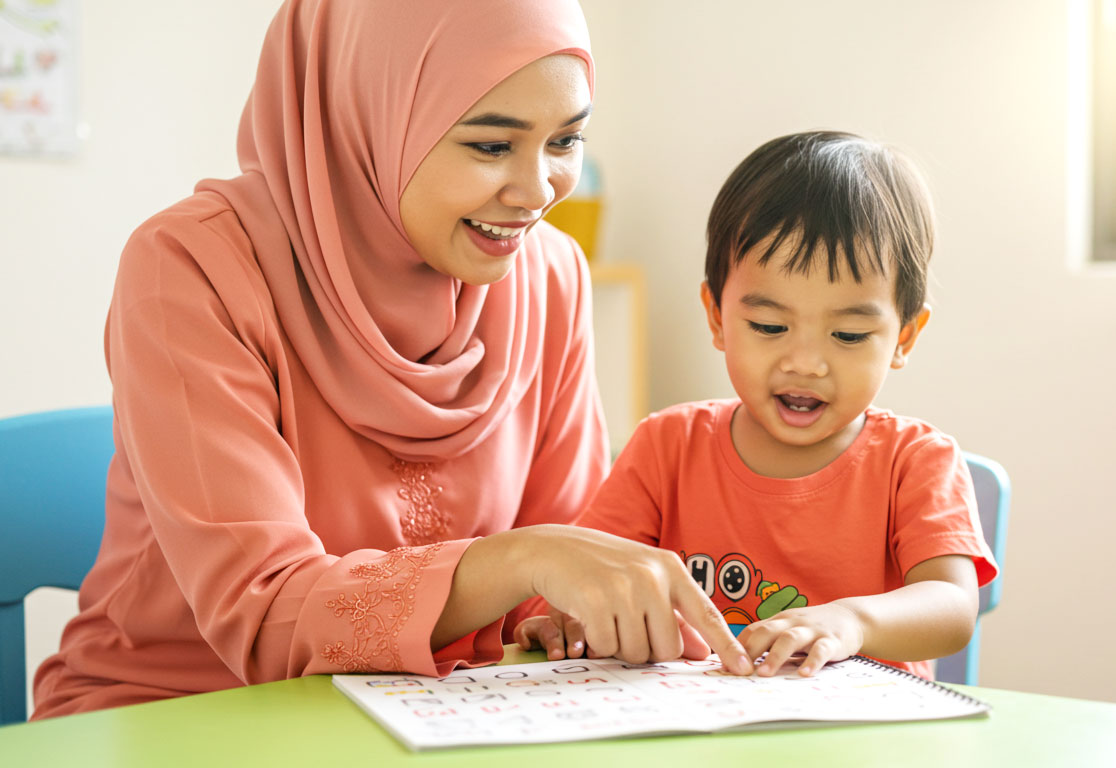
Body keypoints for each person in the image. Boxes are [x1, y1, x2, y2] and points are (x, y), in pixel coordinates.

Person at [32, 0, 751, 720]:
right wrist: (525, 560)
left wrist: (594, 605)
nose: (538, 193)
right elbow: (264, 612)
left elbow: (566, 559)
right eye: (491, 145)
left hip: (439, 711)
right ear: (367, 112)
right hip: (179, 713)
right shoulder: (193, 269)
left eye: (565, 141)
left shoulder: (549, 276)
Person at [516, 131, 999, 679]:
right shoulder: (667, 448)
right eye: (769, 326)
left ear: (904, 337)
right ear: (717, 317)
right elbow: (587, 577)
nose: (806, 363)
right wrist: (568, 620)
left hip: (859, 724)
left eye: (848, 335)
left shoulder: (916, 461)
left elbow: (952, 608)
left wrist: (852, 621)